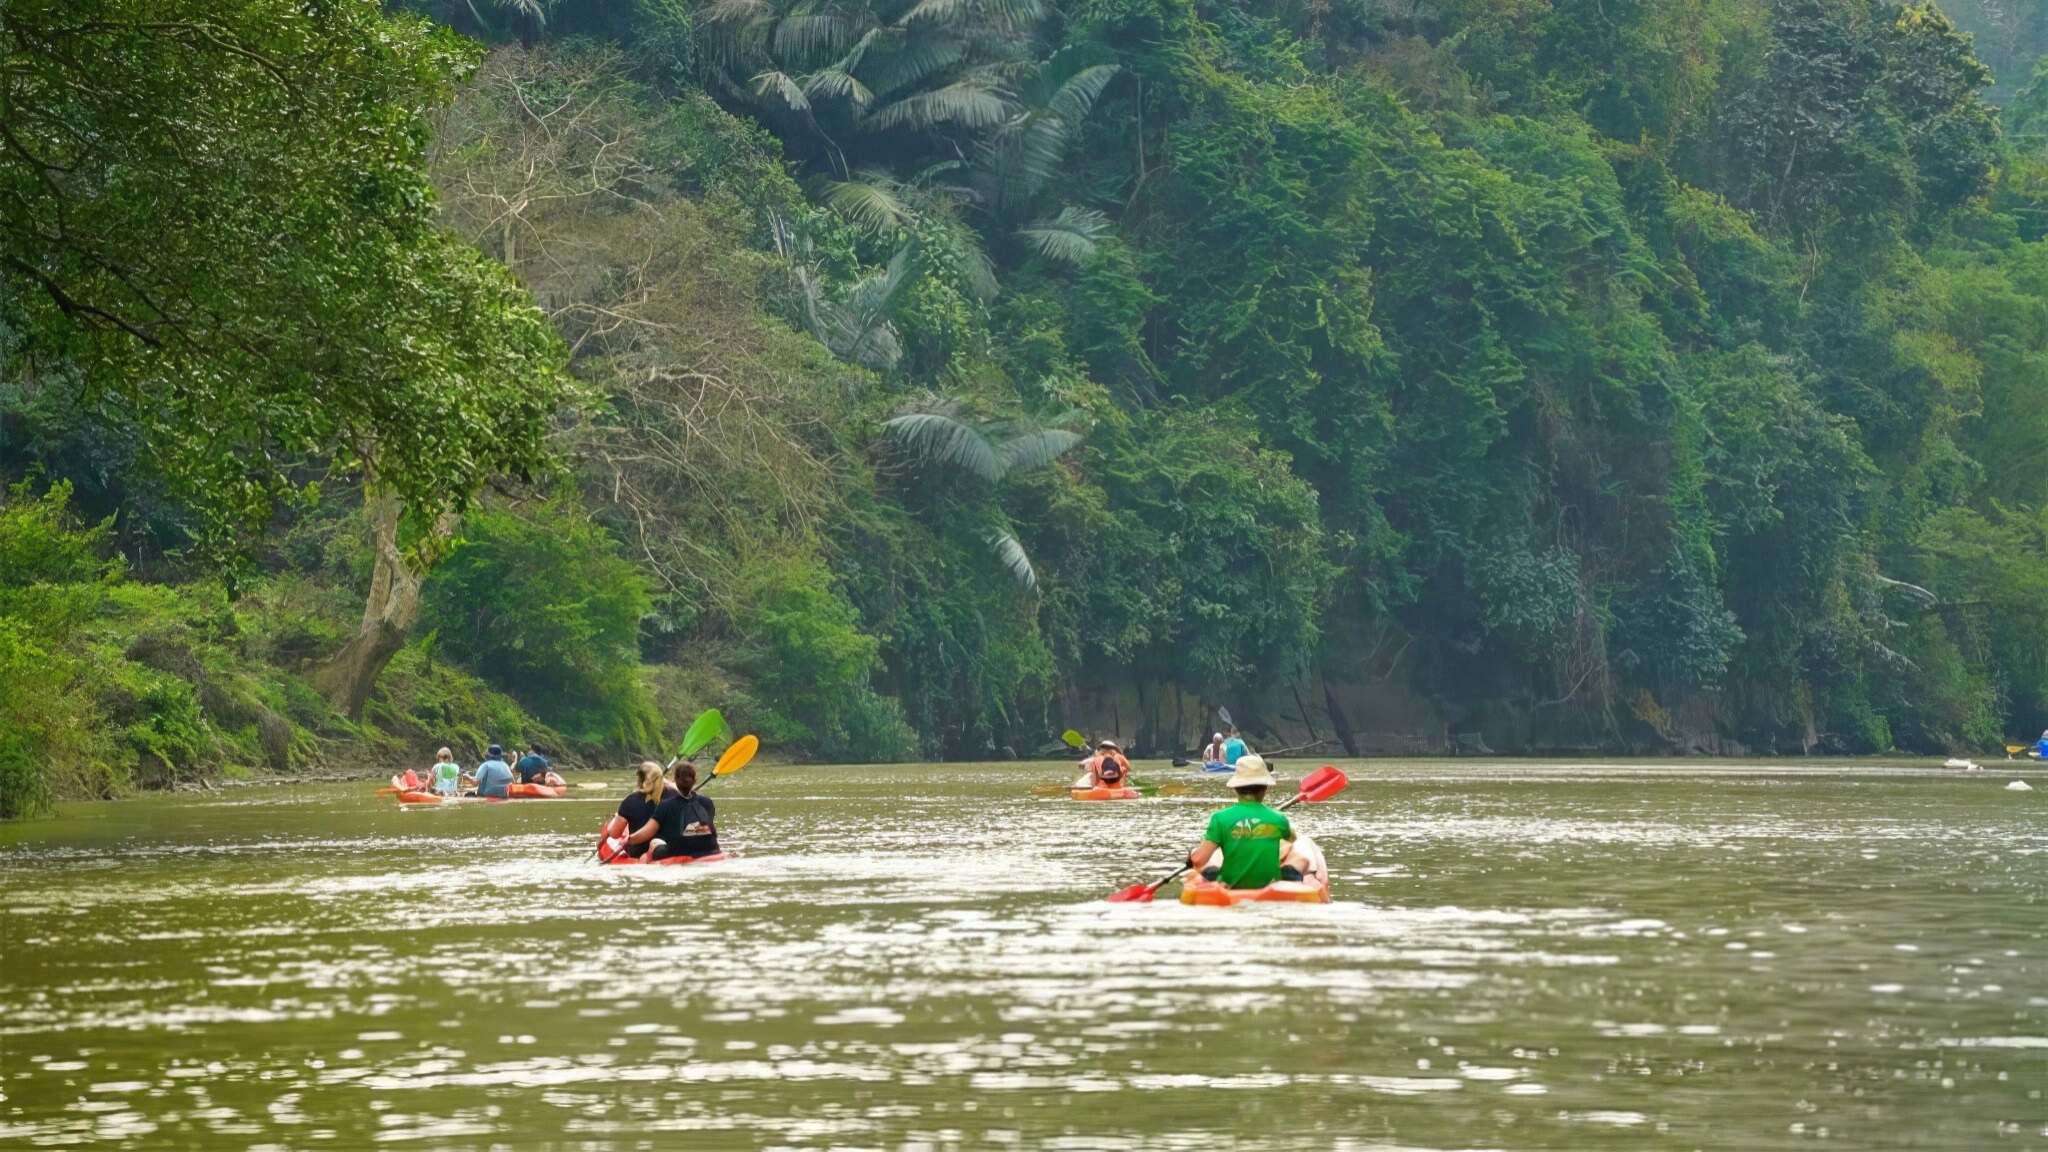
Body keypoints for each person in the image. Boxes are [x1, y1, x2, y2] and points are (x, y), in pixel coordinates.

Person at [1185, 755, 1304, 889]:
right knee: (1300, 855)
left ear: (1236, 788)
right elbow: (1293, 840)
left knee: (1208, 854)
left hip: (1230, 887)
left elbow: (1199, 860)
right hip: (1270, 887)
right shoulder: (1279, 819)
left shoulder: (1219, 818)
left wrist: (1192, 856)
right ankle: (1292, 880)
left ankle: (1214, 879)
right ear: (1265, 788)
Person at [646, 761, 719, 861]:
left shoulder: (666, 805)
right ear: (695, 780)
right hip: (710, 849)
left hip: (680, 851)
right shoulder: (706, 802)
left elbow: (647, 833)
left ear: (675, 780)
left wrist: (629, 839)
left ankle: (650, 866)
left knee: (654, 842)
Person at [608, 762, 668, 860]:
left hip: (638, 850)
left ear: (640, 780)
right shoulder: (671, 797)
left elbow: (615, 834)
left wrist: (614, 820)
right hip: (665, 848)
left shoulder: (630, 800)